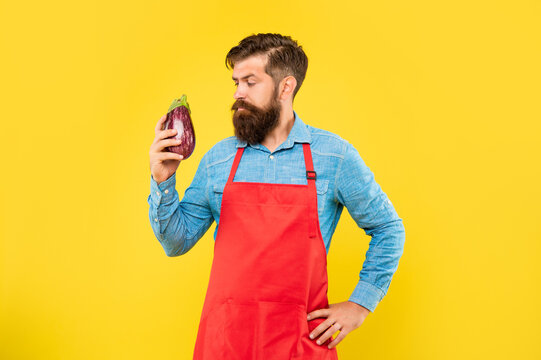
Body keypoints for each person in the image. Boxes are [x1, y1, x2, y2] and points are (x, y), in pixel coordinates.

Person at [148, 33, 405, 360]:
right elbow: (176, 242)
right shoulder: (219, 159)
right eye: (235, 82)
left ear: (286, 87)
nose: (238, 94)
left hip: (299, 342)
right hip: (226, 342)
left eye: (250, 82)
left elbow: (388, 229)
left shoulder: (333, 156)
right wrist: (163, 180)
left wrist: (360, 304)